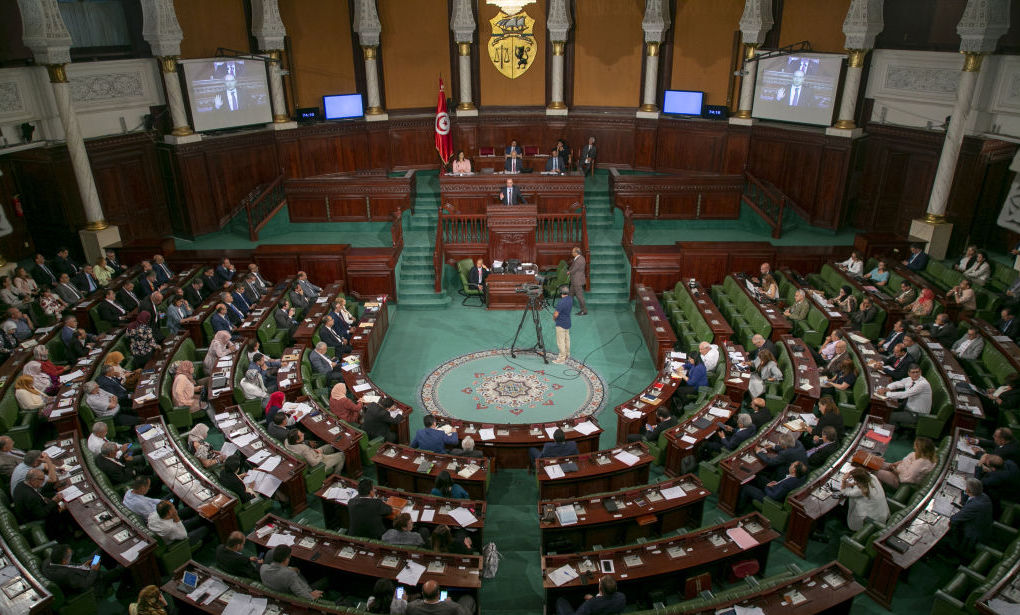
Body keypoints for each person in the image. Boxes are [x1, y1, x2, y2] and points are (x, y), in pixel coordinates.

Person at [946, 478, 992, 557]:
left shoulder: (974, 506)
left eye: (966, 487)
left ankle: (954, 552)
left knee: (951, 526)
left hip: (972, 535)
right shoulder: (983, 496)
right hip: (983, 527)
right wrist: (965, 492)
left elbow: (954, 519)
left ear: (969, 490)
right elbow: (965, 502)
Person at [740, 461, 807, 509]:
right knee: (758, 477)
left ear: (794, 470)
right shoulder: (800, 477)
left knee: (746, 488)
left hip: (769, 499)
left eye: (793, 464)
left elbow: (774, 496)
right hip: (775, 488)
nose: (791, 463)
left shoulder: (787, 484)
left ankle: (739, 509)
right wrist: (777, 484)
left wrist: (767, 487)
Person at [555, 574, 625, 615]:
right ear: (616, 588)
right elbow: (604, 602)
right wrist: (593, 599)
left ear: (600, 588)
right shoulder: (621, 597)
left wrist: (592, 600)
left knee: (560, 600)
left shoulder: (590, 604)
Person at [406, 580, 475, 615]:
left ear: (422, 594)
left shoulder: (411, 606)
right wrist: (450, 603)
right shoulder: (453, 607)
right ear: (438, 594)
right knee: (468, 598)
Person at [552, 285, 573, 364]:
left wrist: (554, 318)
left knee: (560, 342)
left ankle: (561, 358)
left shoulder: (561, 302)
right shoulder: (570, 299)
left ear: (560, 292)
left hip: (560, 324)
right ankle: (567, 355)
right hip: (567, 322)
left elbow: (556, 314)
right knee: (567, 340)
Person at [567, 247, 587, 315]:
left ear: (576, 253)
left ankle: (584, 310)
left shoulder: (579, 260)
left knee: (579, 296)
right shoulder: (579, 258)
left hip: (577, 281)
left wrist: (569, 272)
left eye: (573, 252)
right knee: (570, 294)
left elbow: (574, 269)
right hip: (574, 280)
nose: (572, 253)